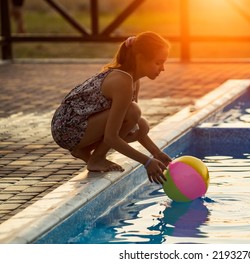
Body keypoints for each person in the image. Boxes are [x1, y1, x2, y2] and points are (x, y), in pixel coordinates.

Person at [51, 31, 171, 184]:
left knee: (141, 126)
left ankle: (83, 150)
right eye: (158, 62)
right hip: (66, 128)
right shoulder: (123, 82)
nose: (163, 68)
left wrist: (157, 153)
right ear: (141, 58)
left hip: (80, 124)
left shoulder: (133, 80)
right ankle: (97, 159)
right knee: (134, 112)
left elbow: (131, 124)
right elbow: (111, 137)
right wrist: (147, 162)